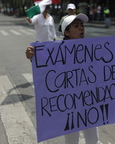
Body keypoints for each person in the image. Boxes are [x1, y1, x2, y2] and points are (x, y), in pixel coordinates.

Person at [26, 13, 102, 144]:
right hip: (69, 105)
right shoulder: (56, 52)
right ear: (66, 32)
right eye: (76, 26)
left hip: (89, 102)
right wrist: (31, 55)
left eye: (82, 25)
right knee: (72, 139)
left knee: (93, 139)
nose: (81, 28)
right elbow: (44, 67)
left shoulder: (92, 48)